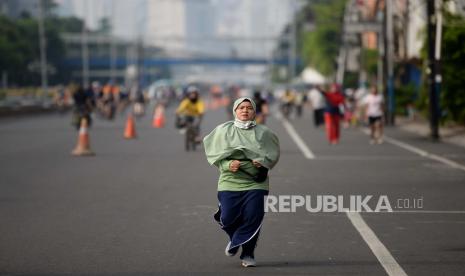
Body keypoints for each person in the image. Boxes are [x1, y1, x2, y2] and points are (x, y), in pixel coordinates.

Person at [203, 97, 280, 268]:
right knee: (227, 217)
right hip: (229, 180)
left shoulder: (264, 133)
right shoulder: (223, 131)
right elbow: (214, 155)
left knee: (254, 216)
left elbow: (272, 154)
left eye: (249, 108)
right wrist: (228, 164)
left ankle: (248, 254)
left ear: (254, 112)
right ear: (235, 111)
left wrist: (263, 162)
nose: (245, 111)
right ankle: (236, 239)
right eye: (241, 108)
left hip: (256, 182)